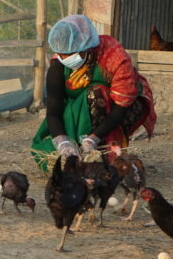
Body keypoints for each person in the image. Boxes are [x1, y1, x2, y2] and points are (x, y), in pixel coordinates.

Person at [31, 14, 156, 169]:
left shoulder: (114, 58)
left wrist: (93, 139)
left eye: (70, 54)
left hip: (121, 108)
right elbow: (54, 110)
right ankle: (77, 154)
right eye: (61, 54)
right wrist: (62, 141)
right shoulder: (58, 65)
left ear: (86, 47)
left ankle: (101, 151)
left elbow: (121, 107)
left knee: (96, 93)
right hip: (76, 109)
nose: (65, 58)